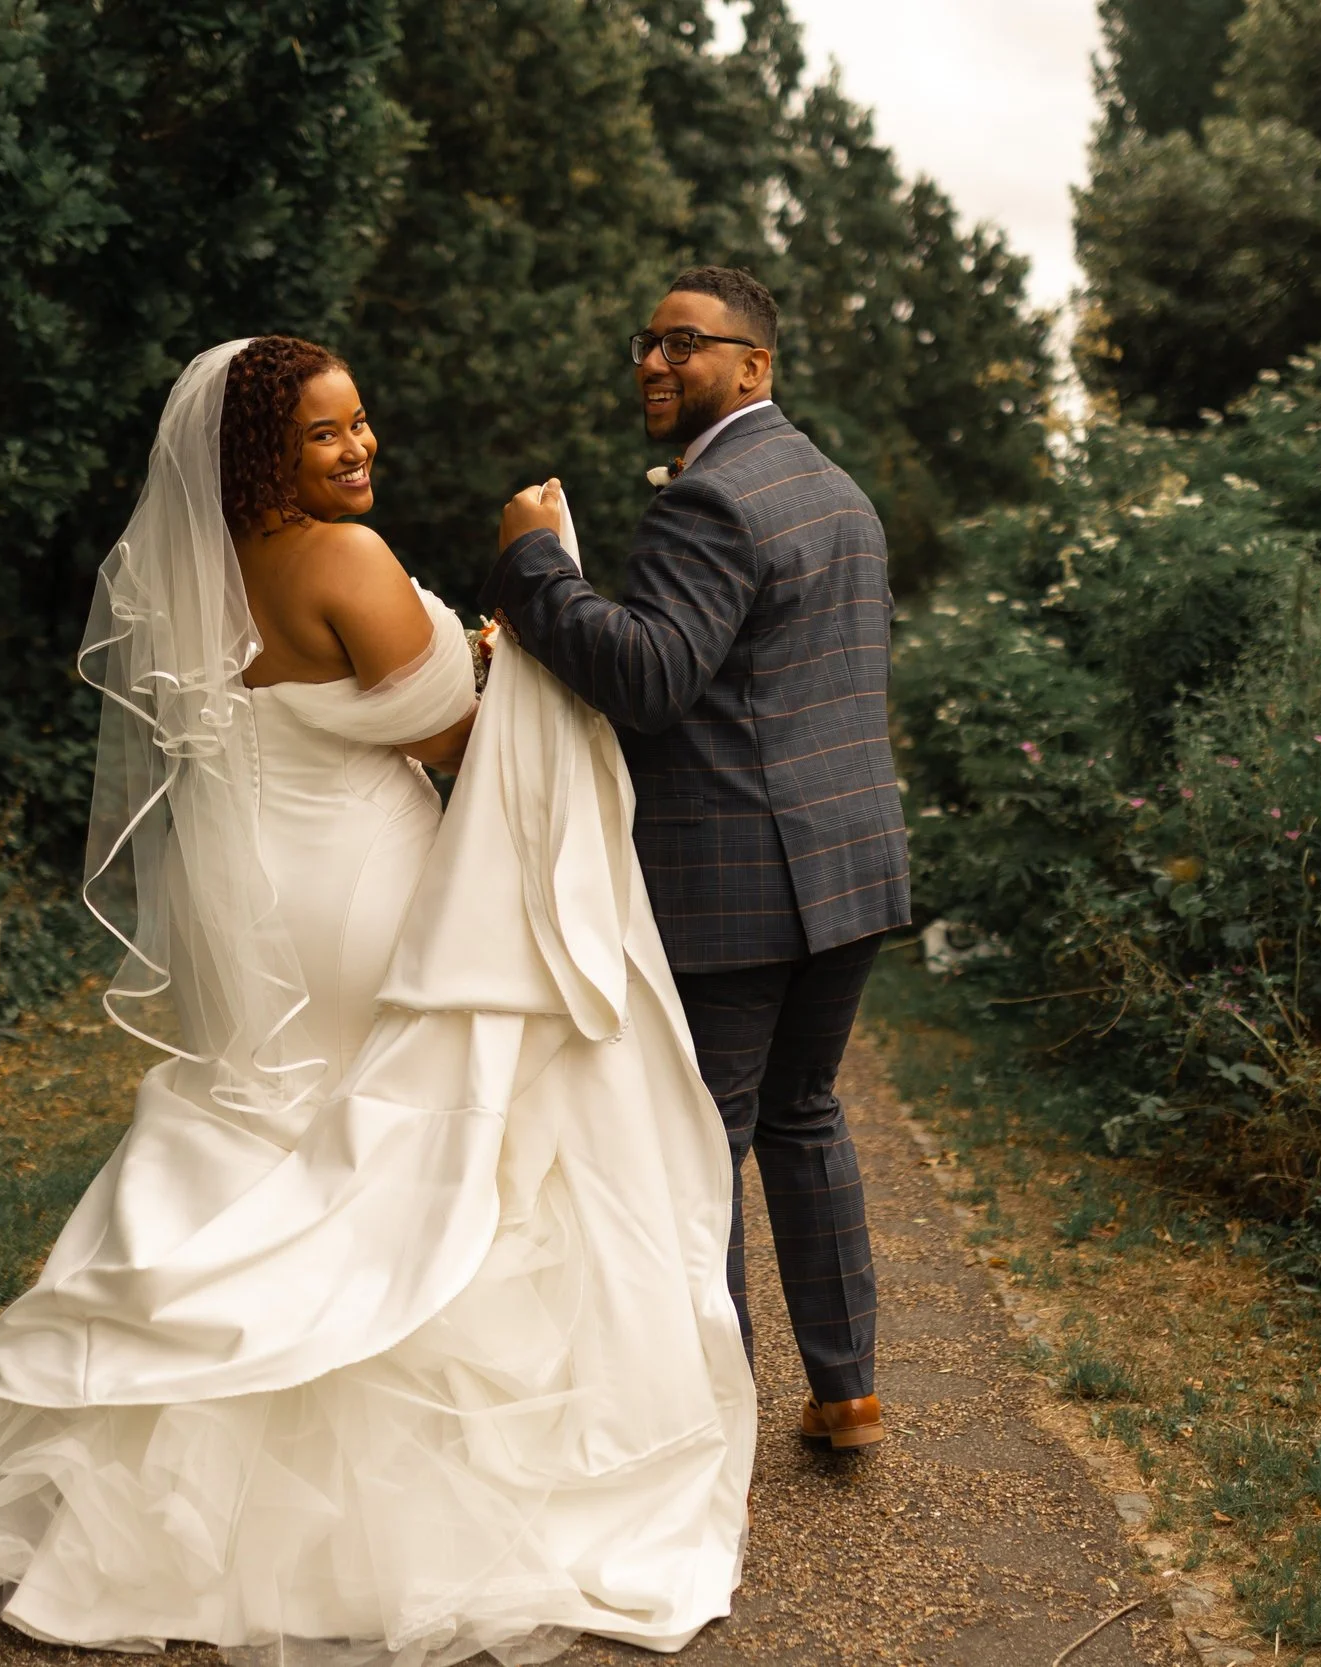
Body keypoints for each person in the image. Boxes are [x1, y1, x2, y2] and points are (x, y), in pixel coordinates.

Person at [0, 336, 755, 1662]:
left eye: (361, 421)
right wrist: (516, 621)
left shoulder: (202, 567)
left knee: (279, 1133)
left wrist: (470, 656)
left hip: (258, 882)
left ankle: (173, 1491)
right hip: (360, 881)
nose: (359, 446)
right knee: (385, 1148)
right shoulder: (344, 559)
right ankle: (389, 1493)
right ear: (261, 452)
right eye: (324, 432)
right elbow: (448, 735)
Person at [485, 267, 912, 1452]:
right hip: (849, 864)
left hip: (735, 877)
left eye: (684, 344)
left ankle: (711, 1415)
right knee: (803, 1113)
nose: (654, 362)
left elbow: (650, 678)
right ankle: (847, 1390)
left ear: (752, 365)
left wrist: (536, 567)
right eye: (648, 341)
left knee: (700, 1138)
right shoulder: (835, 489)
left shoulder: (710, 499)